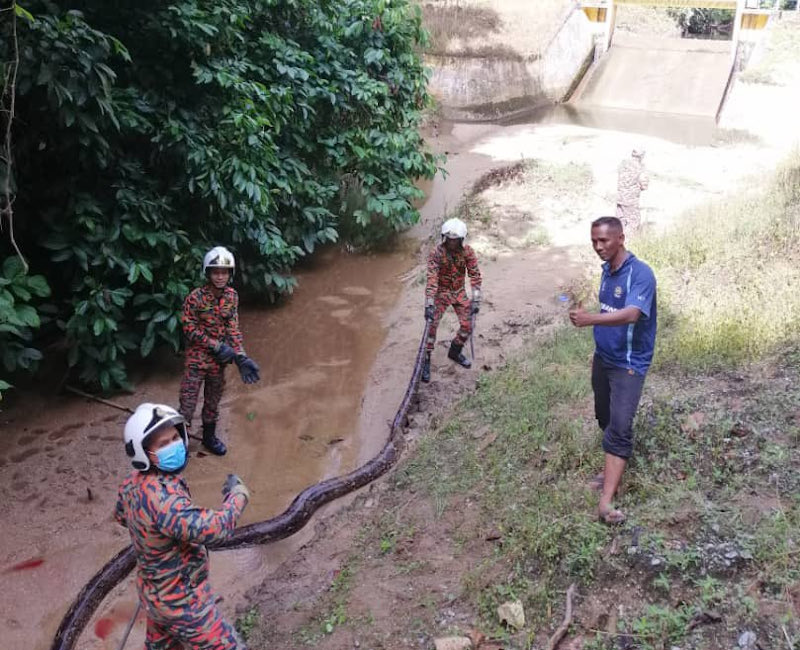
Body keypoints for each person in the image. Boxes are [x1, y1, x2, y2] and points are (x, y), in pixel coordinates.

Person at [116, 402, 251, 649]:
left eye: (175, 437)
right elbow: (216, 529)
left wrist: (154, 543)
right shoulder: (164, 500)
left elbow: (121, 516)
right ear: (143, 452)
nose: (174, 446)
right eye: (163, 444)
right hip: (183, 603)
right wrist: (238, 495)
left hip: (154, 594)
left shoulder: (131, 483)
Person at [569, 216, 657, 524]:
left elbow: (632, 314)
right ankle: (611, 467)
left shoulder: (641, 274)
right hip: (604, 358)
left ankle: (606, 502)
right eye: (594, 241)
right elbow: (609, 310)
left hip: (628, 364)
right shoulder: (607, 271)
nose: (598, 246)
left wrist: (589, 319)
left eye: (604, 240)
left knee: (619, 427)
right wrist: (597, 349)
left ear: (621, 238)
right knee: (603, 416)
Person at [179, 246, 260, 455]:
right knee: (188, 403)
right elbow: (188, 328)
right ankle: (179, 444)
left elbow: (233, 328)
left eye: (224, 272)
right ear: (208, 273)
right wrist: (215, 345)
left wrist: (241, 356)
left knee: (213, 401)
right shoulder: (195, 298)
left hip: (219, 361)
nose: (220, 277)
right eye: (216, 272)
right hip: (197, 359)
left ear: (230, 274)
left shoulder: (232, 297)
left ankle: (209, 438)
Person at [422, 217, 482, 383]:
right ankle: (426, 359)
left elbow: (475, 275)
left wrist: (476, 299)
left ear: (462, 239)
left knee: (467, 325)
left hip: (458, 291)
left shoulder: (468, 252)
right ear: (444, 237)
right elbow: (432, 278)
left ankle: (455, 351)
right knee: (431, 326)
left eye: (455, 240)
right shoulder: (436, 253)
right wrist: (429, 303)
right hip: (441, 293)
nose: (452, 243)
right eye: (449, 239)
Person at [616, 148, 649, 232]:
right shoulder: (641, 168)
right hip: (631, 201)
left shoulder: (623, 164)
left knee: (619, 223)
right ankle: (629, 243)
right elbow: (644, 186)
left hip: (619, 198)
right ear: (642, 156)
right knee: (633, 223)